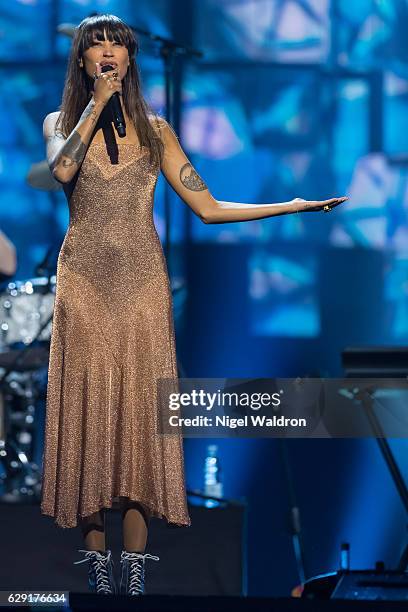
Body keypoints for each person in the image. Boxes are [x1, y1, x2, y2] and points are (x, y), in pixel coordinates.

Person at [40, 13, 348, 597]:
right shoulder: (61, 121)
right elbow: (62, 169)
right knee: (89, 416)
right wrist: (94, 106)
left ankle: (131, 581)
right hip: (84, 285)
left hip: (141, 289)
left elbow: (208, 207)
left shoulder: (156, 132)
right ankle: (96, 578)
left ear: (131, 60)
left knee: (133, 423)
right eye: (96, 47)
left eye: (118, 47)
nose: (108, 54)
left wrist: (292, 205)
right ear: (82, 61)